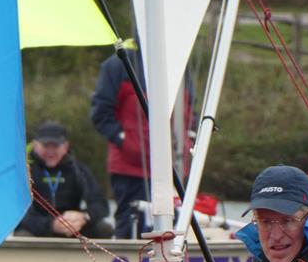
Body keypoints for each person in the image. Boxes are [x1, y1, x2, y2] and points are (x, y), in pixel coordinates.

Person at [90, 43, 194, 238]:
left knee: (178, 223)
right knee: (131, 222)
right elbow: (101, 113)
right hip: (131, 168)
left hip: (176, 165)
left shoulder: (178, 62)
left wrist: (190, 139)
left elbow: (189, 109)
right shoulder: (118, 64)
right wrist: (126, 141)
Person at [15, 121, 113, 239]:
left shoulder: (78, 170)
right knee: (22, 235)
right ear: (36, 145)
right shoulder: (25, 171)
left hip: (72, 227)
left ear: (65, 146)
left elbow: (101, 204)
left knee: (104, 228)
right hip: (39, 229)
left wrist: (83, 217)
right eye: (46, 145)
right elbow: (17, 215)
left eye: (55, 146)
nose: (50, 151)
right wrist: (51, 224)